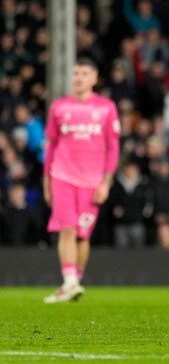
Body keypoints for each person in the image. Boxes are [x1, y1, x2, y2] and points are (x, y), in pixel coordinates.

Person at [42, 57, 121, 303]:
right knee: (67, 229)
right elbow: (51, 146)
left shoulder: (106, 108)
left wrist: (106, 182)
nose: (78, 78)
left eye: (84, 73)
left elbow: (113, 147)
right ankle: (70, 281)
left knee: (82, 235)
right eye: (75, 73)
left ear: (94, 78)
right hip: (62, 176)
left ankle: (73, 282)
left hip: (92, 182)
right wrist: (47, 181)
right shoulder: (59, 107)